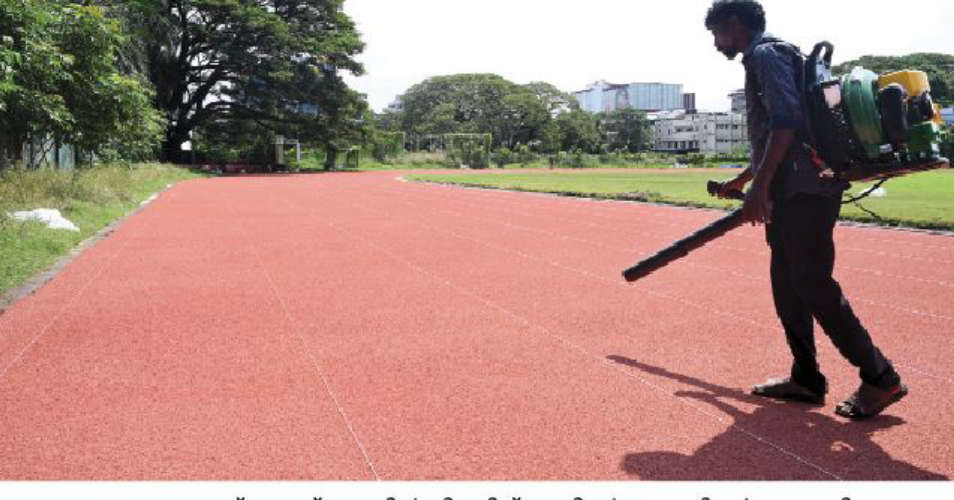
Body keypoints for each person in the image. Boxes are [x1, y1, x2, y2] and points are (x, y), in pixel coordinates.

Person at [705, 0, 907, 419]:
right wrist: (744, 182)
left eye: (716, 34)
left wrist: (758, 190)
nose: (715, 43)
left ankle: (880, 376)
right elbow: (779, 136)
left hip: (804, 190)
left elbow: (787, 122)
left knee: (812, 283)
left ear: (733, 24)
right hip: (791, 188)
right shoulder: (781, 56)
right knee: (786, 282)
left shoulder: (765, 53)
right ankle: (806, 377)